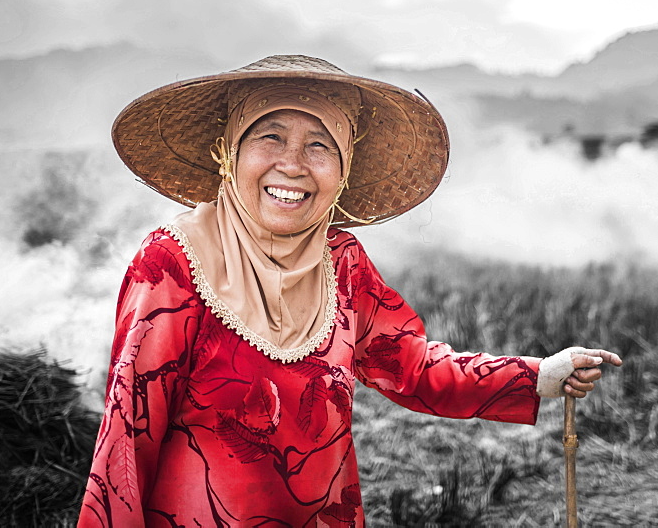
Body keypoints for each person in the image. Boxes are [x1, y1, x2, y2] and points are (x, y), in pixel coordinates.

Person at [78, 54, 621, 526]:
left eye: (320, 145)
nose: (292, 164)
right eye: (270, 137)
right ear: (229, 154)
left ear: (342, 170)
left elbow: (411, 367)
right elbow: (127, 441)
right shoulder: (172, 263)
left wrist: (534, 375)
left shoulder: (342, 264)